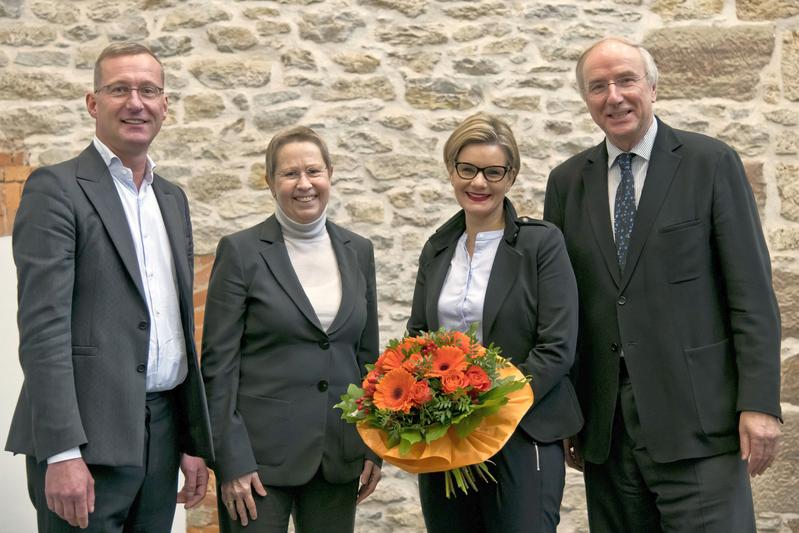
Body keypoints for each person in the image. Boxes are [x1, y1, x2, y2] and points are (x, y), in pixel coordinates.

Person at [544, 37, 782, 532]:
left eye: (626, 80)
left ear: (652, 86)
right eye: (598, 86)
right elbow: (562, 308)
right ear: (586, 100)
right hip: (607, 432)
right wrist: (568, 412)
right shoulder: (566, 183)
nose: (614, 96)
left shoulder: (709, 163)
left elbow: (751, 295)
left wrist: (758, 403)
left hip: (700, 422)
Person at [5, 42, 214, 531]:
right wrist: (61, 452)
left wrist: (189, 441)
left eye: (148, 90)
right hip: (86, 443)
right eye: (119, 89)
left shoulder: (173, 199)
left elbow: (176, 327)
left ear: (165, 105)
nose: (135, 102)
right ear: (93, 103)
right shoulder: (55, 190)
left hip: (161, 434)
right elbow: (43, 331)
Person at [201, 125, 382, 533]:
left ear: (330, 174)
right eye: (289, 174)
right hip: (258, 465)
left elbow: (367, 360)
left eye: (314, 171)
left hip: (338, 456)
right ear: (270, 182)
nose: (304, 184)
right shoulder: (241, 252)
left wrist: (374, 444)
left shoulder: (359, 251)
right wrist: (231, 460)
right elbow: (218, 367)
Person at [406, 113, 582, 532]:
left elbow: (556, 346)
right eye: (467, 169)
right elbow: (417, 337)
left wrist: (489, 407)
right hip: (446, 434)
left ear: (511, 176)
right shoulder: (436, 249)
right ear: (452, 171)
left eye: (493, 171)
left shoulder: (542, 244)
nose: (478, 183)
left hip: (523, 430)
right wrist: (435, 405)